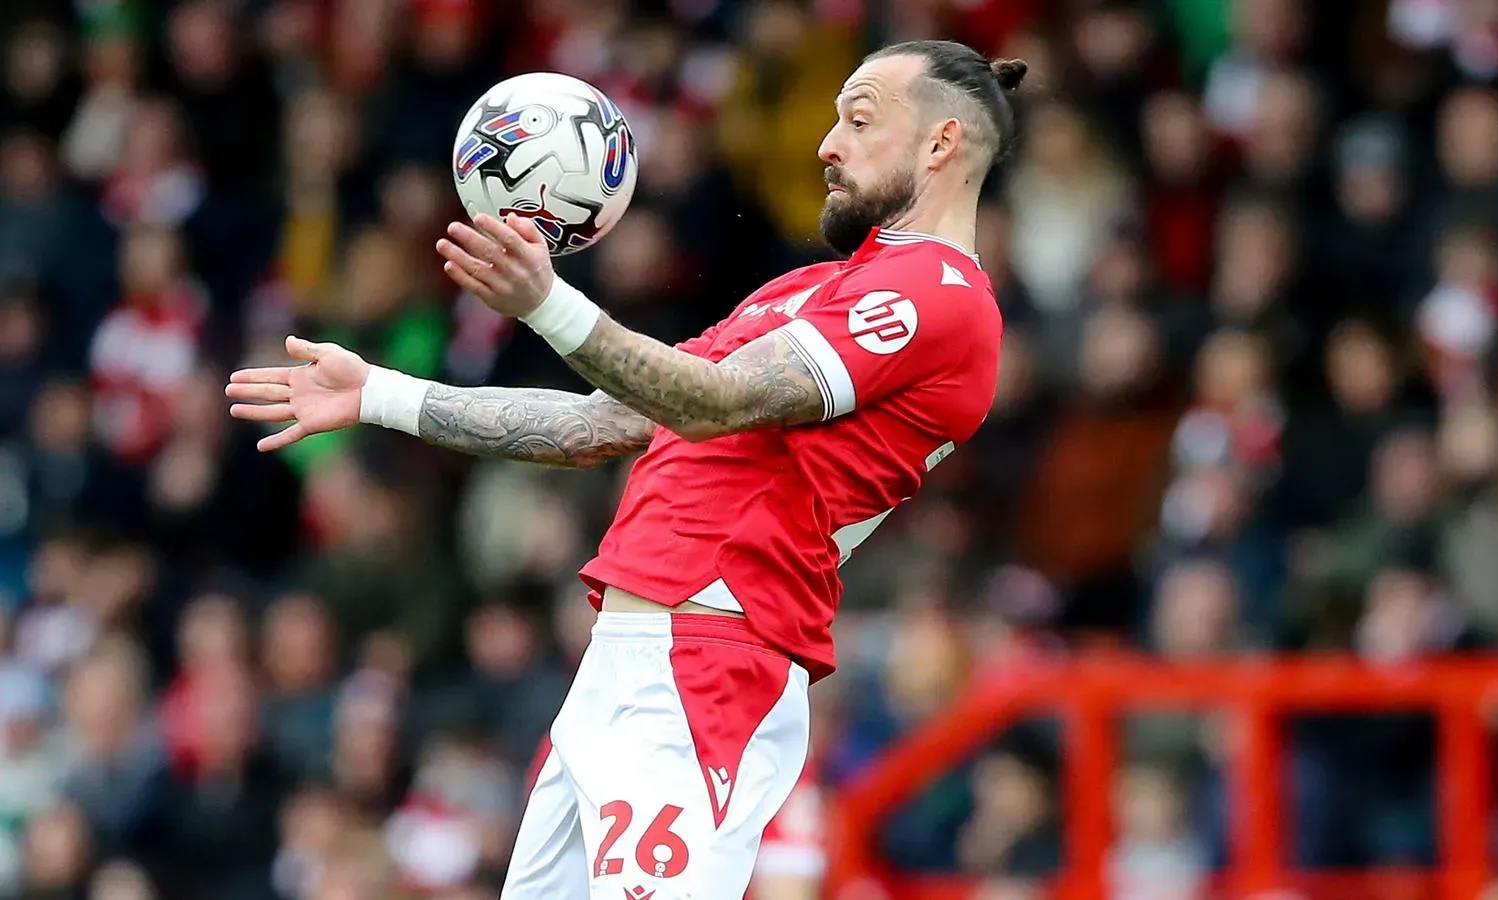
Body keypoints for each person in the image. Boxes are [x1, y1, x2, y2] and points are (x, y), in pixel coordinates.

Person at [226, 40, 1024, 900]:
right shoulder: (804, 290)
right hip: (626, 660)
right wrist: (382, 395)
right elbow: (603, 423)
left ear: (941, 143)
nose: (827, 144)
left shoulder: (939, 295)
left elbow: (715, 401)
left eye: (859, 118)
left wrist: (548, 304)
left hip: (711, 657)